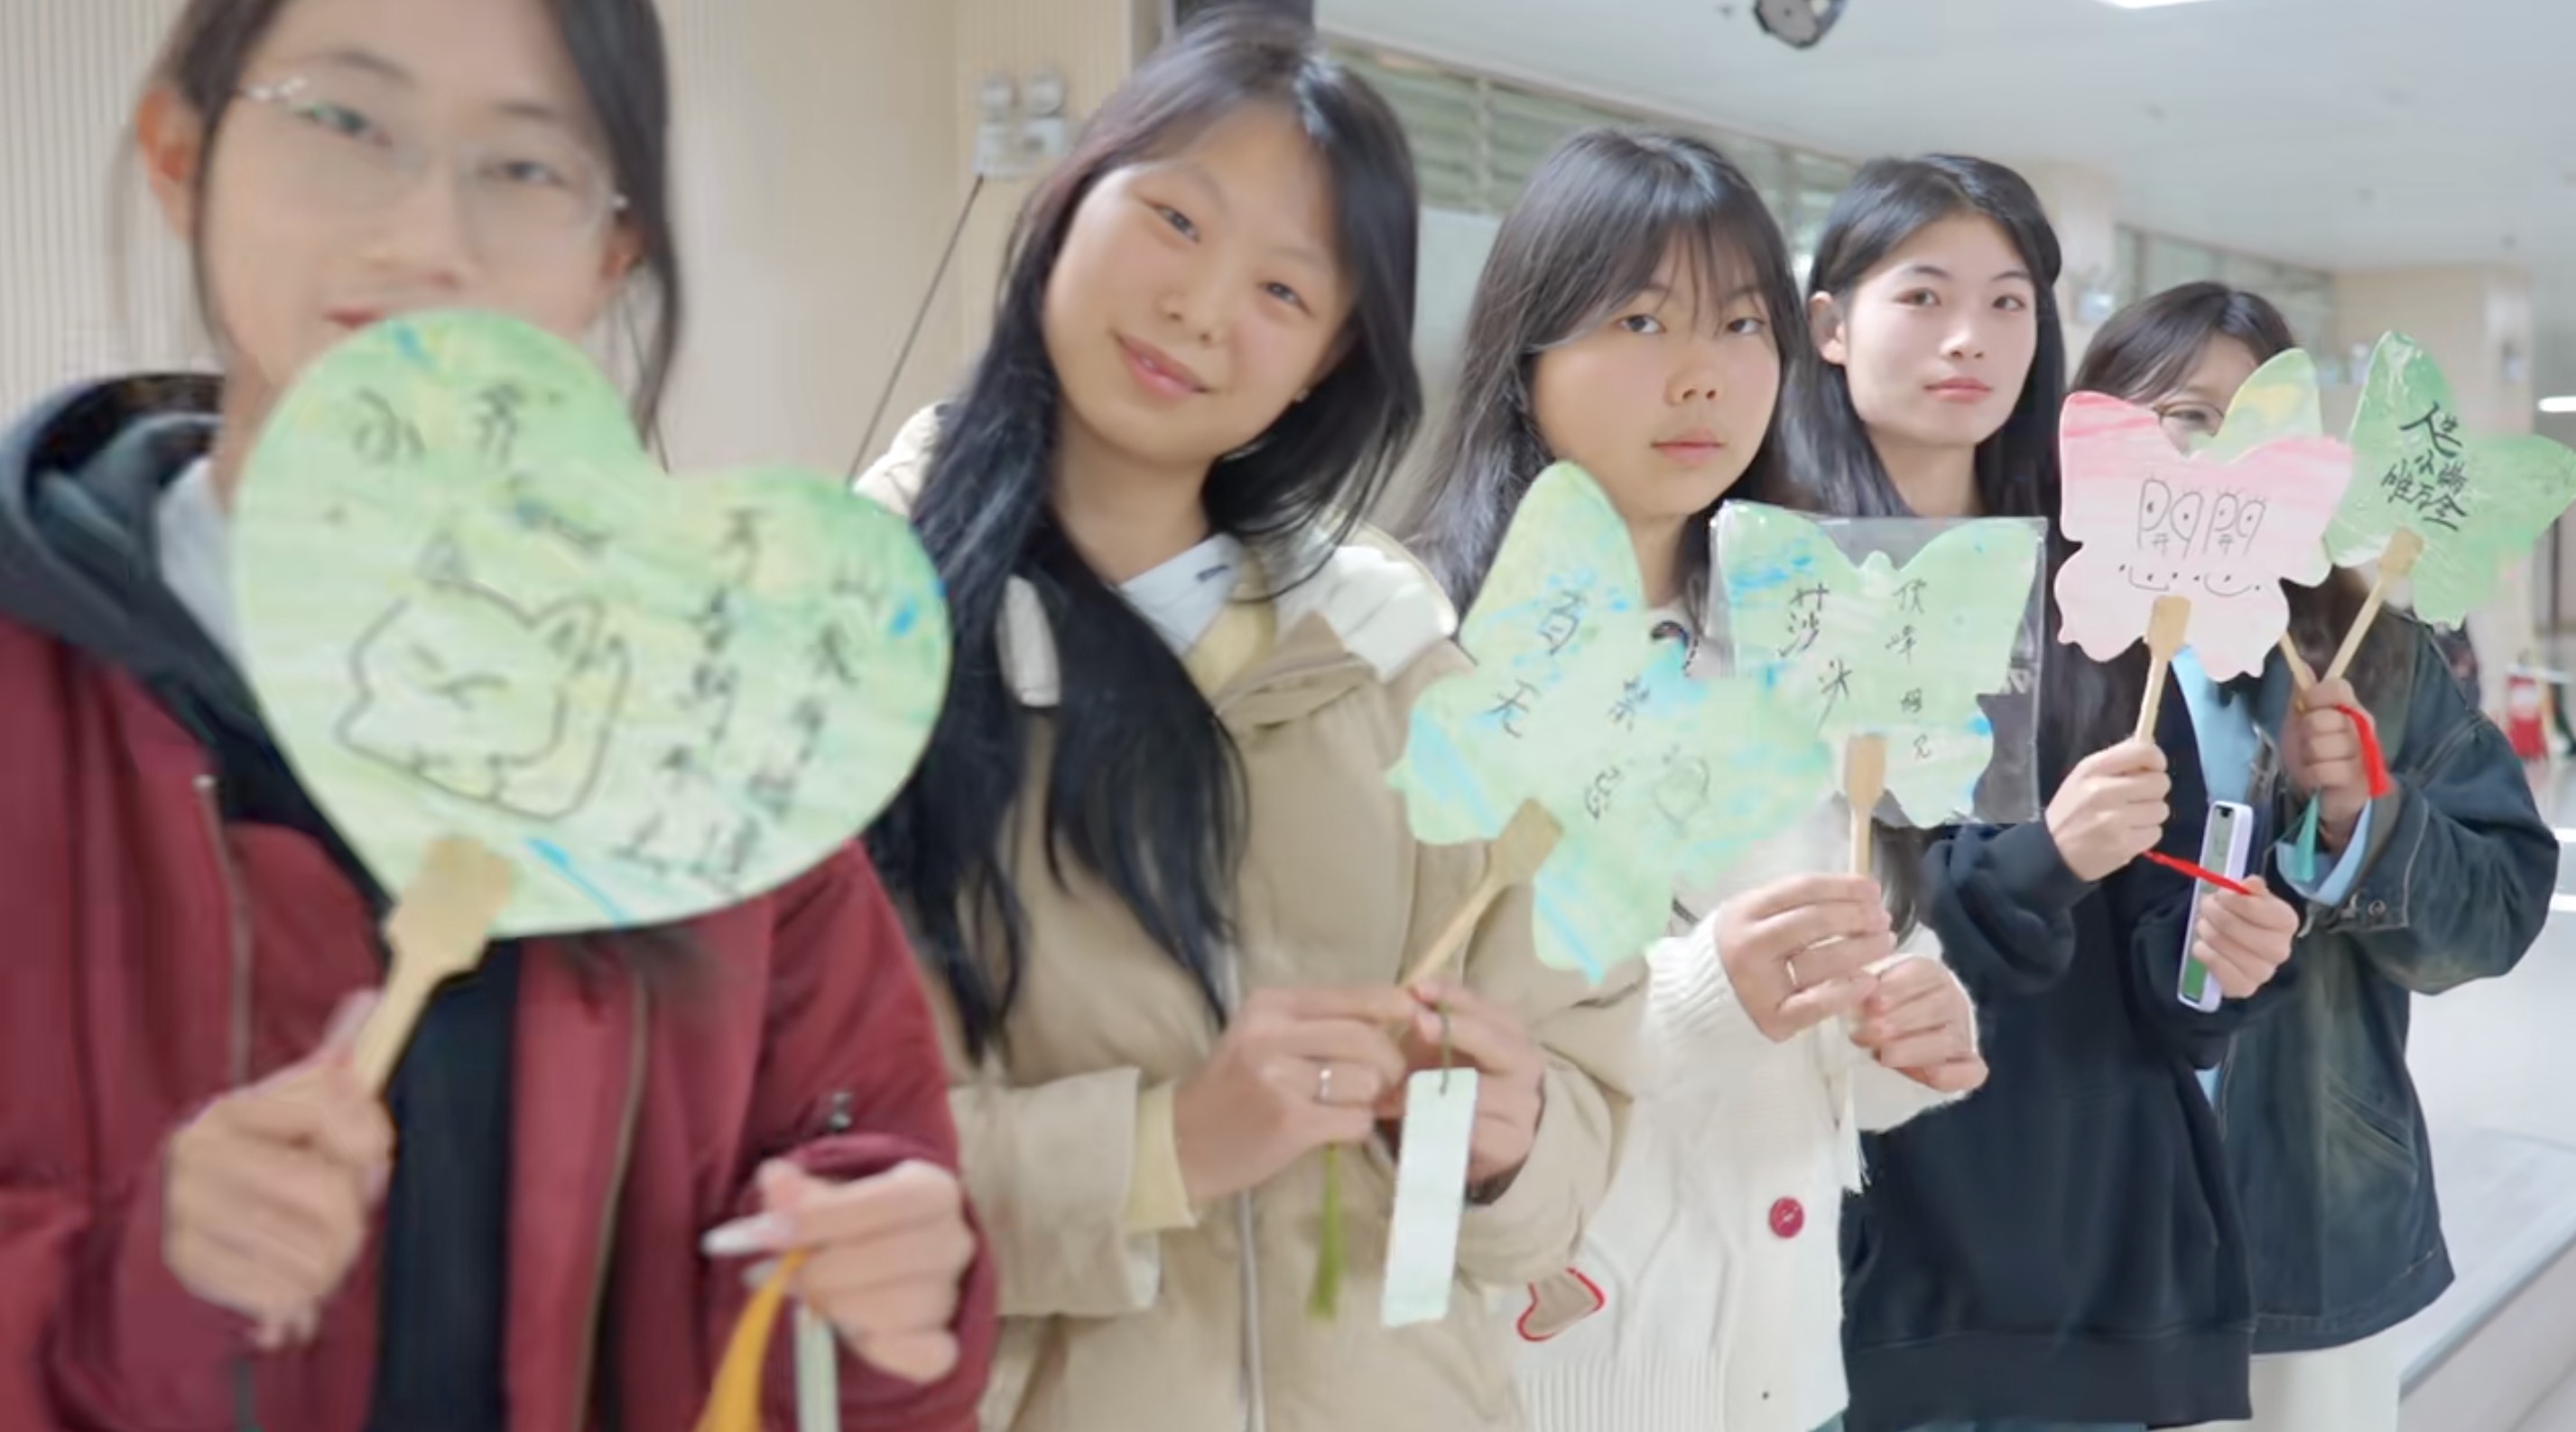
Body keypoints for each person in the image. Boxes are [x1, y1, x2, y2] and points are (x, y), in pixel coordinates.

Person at [0, 1, 996, 1428]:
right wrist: (126, 1290)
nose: (426, 231)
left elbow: (852, 1198)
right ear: (180, 153)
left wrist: (877, 1297)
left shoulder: (715, 722)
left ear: (613, 250)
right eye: (345, 119)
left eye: (525, 165)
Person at [857, 14, 1643, 1432]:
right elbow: (800, 1151)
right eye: (1173, 219)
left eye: (1283, 288)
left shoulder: (1396, 659)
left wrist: (1504, 1147)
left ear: (1327, 359)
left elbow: (1579, 1071)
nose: (1200, 307)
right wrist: (1161, 1147)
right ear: (1068, 200)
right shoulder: (852, 633)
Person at [1404, 127, 1986, 1432]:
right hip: (1536, 1384)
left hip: (1785, 1371)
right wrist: (1705, 996)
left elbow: (1847, 959)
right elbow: (1413, 1049)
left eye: (1738, 324)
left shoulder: (1804, 627)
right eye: (1639, 319)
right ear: (1526, 347)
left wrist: (1907, 1024)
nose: (1702, 374)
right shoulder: (1424, 641)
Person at [1785, 157, 2300, 1432]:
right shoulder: (1772, 583)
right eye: (1923, 294)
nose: (1970, 336)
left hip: (2086, 1238)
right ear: (1829, 323)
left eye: (2008, 301)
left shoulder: (2092, 594)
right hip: (1862, 1248)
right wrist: (2040, 859)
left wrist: (2220, 955)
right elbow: (1786, 934)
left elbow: (2172, 968)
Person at [2073, 282, 2556, 1432]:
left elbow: (2497, 908)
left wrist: (2359, 817)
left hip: (2305, 1222)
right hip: (2072, 1212)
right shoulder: (2043, 645)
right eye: (2188, 417)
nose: (2222, 457)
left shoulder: (2368, 658)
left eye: (2260, 425)